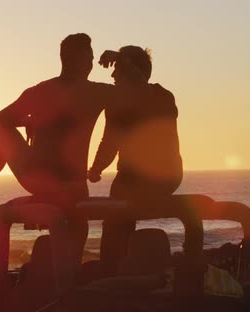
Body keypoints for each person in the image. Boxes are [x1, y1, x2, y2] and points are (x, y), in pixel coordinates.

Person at [0, 33, 113, 266]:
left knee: (1, 133)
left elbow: (3, 118)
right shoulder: (97, 92)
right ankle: (72, 283)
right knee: (75, 244)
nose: (91, 62)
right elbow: (138, 93)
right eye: (89, 56)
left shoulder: (40, 91)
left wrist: (30, 121)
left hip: (40, 181)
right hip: (76, 188)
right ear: (80, 60)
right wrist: (121, 58)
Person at [87, 46, 195, 273]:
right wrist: (95, 169)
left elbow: (110, 143)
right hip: (167, 179)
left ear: (131, 69)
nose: (113, 75)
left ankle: (111, 269)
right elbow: (109, 142)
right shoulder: (162, 96)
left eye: (118, 69)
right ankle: (123, 265)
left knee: (116, 212)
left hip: (145, 180)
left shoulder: (160, 97)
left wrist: (120, 58)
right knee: (119, 210)